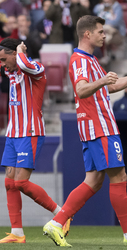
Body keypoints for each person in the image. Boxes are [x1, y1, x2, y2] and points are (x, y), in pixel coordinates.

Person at [42, 15, 127, 247]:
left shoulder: (89, 59)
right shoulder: (80, 61)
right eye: (101, 31)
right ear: (87, 34)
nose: (105, 35)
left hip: (95, 127)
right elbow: (83, 89)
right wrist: (102, 81)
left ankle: (56, 223)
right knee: (120, 177)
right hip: (100, 126)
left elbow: (111, 85)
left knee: (93, 181)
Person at [0, 38, 70, 244]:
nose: (3, 64)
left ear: (16, 54)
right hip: (13, 134)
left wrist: (21, 51)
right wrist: (12, 56)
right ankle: (17, 233)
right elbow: (14, 64)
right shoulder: (11, 71)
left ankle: (63, 214)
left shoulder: (36, 69)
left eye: (5, 59)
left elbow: (24, 64)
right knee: (10, 183)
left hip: (30, 132)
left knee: (21, 182)